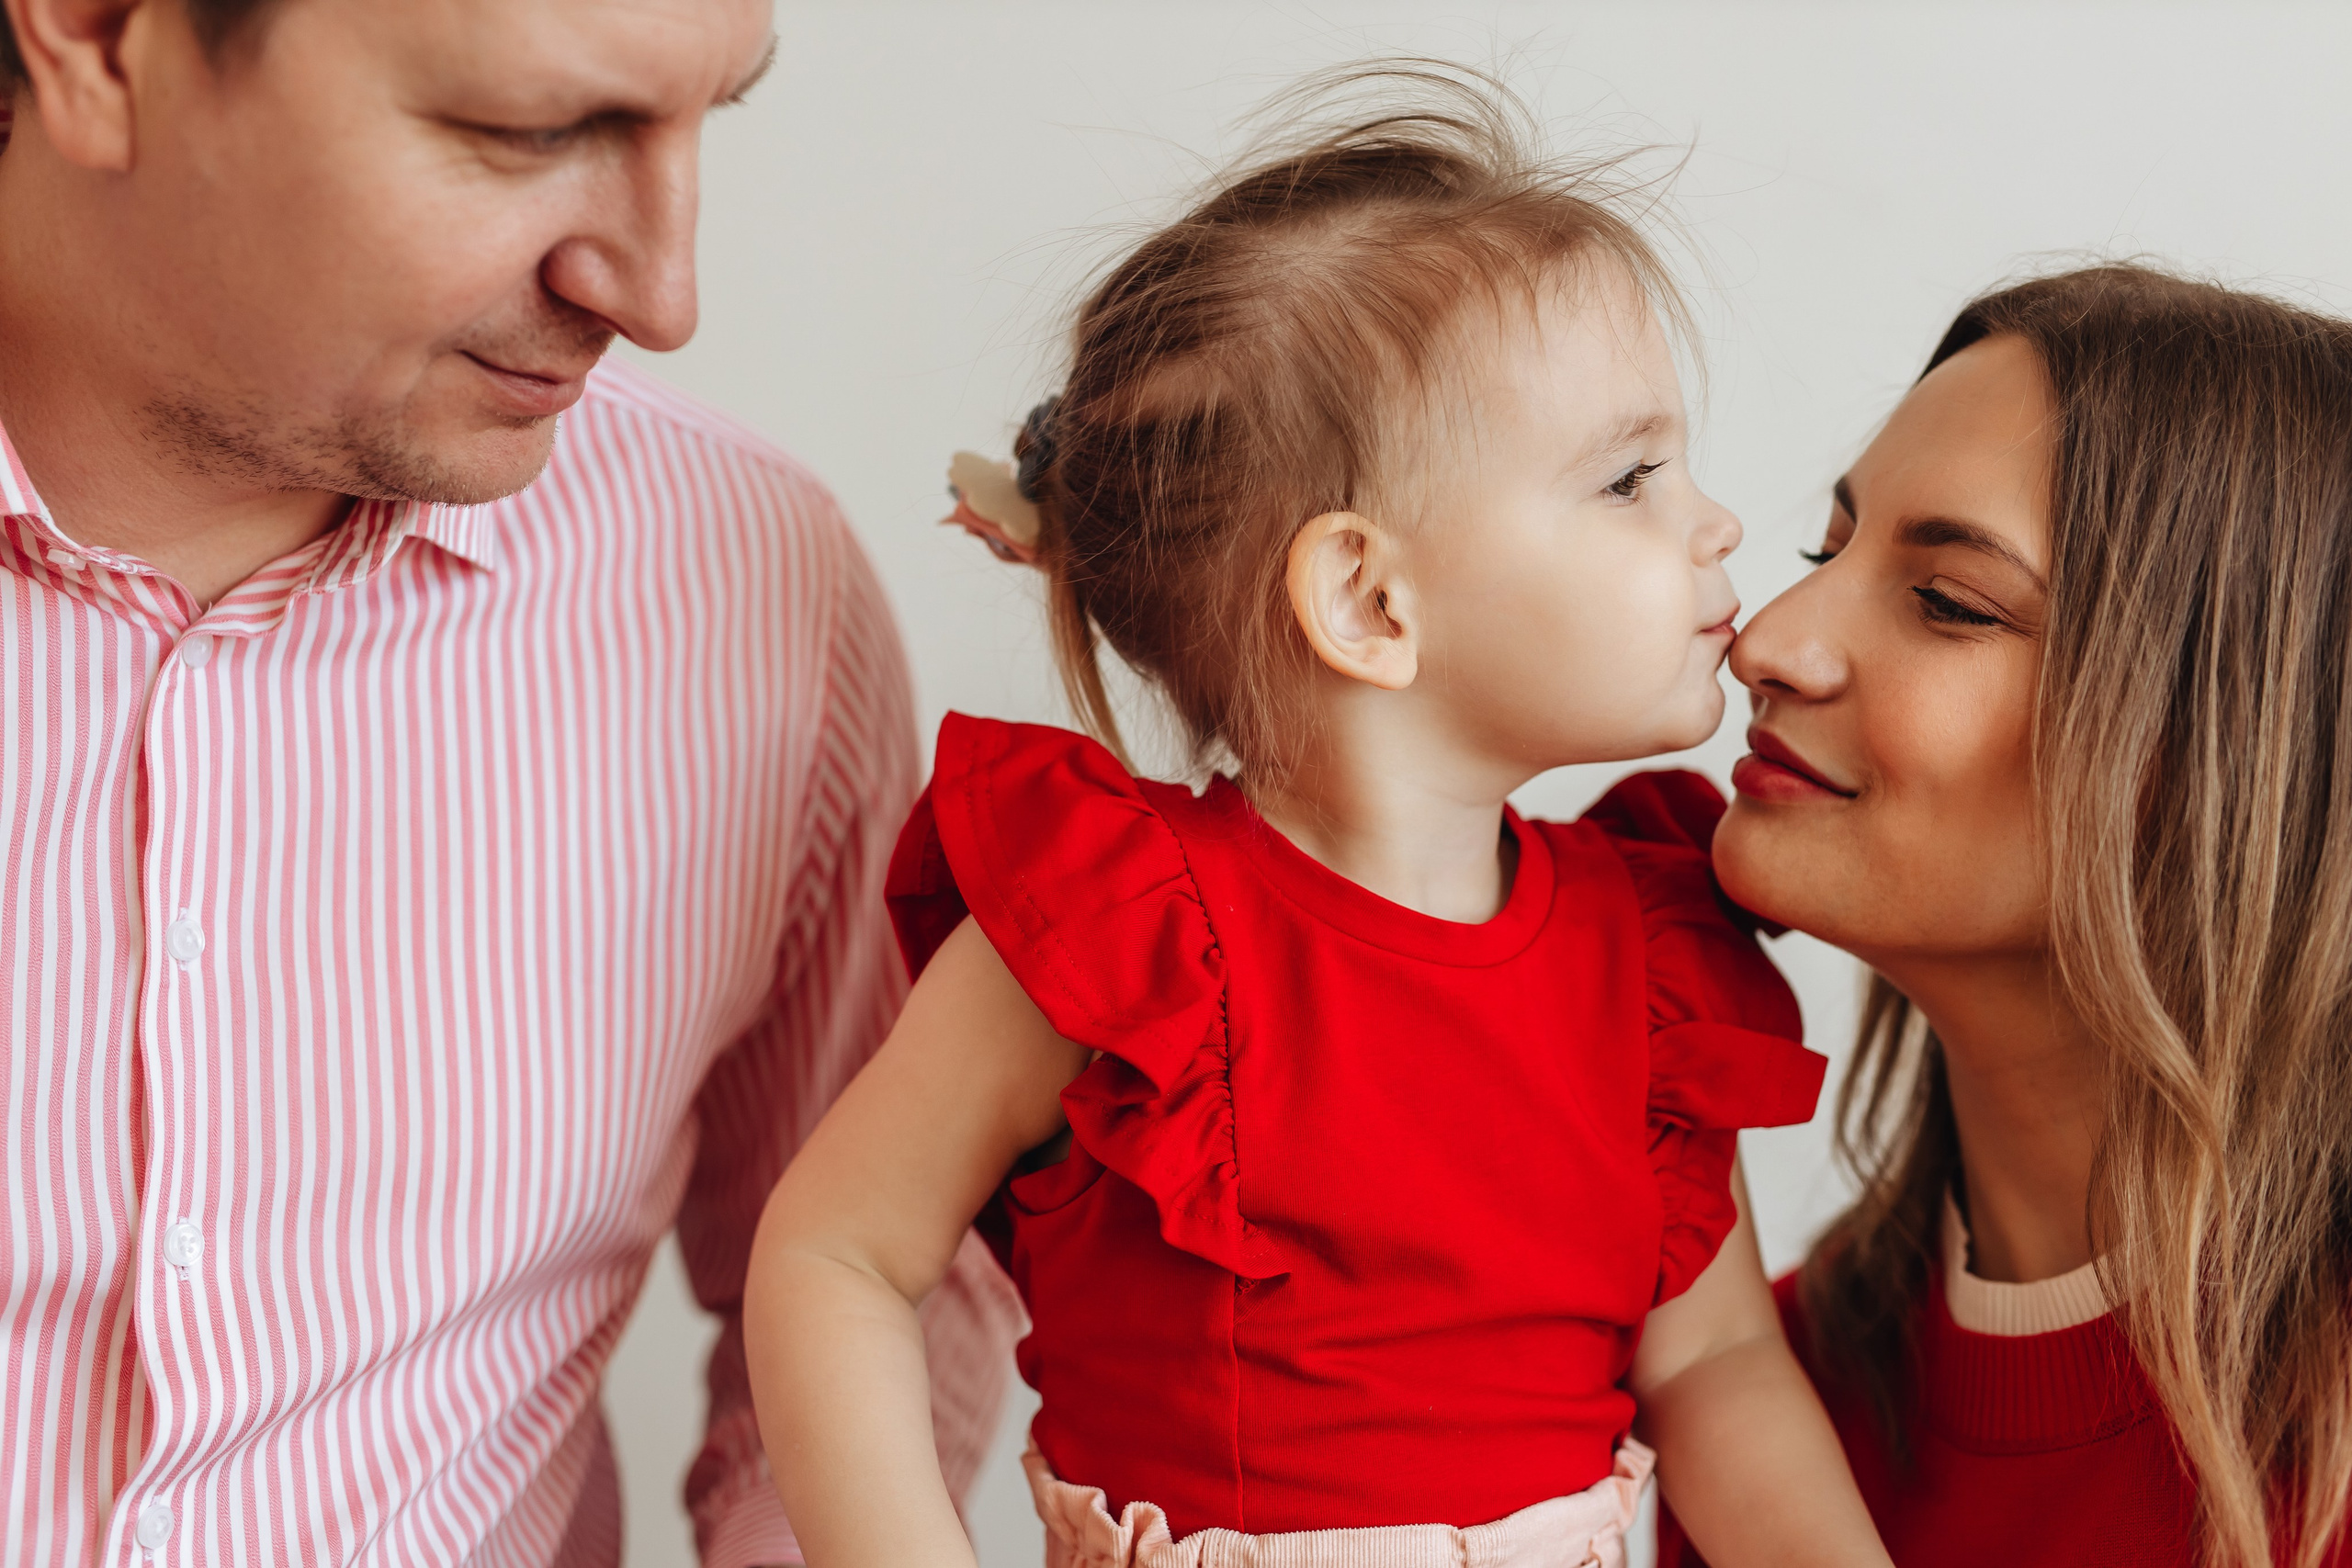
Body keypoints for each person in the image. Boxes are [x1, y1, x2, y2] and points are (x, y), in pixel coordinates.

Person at [744, 68, 1894, 1568]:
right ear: (1368, 600)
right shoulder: (1118, 936)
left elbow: (1716, 1369)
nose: (1718, 523)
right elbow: (835, 1255)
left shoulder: (1651, 962)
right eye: (1627, 477)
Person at [0, 1, 1018, 1563]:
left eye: (711, 120)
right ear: (95, 35)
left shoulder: (751, 590)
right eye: (531, 133)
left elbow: (887, 1261)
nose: (662, 295)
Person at [1660, 264, 2352, 1567]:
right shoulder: (1755, 1409)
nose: (1769, 640)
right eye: (1830, 548)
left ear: (2228, 756)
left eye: (1948, 603)